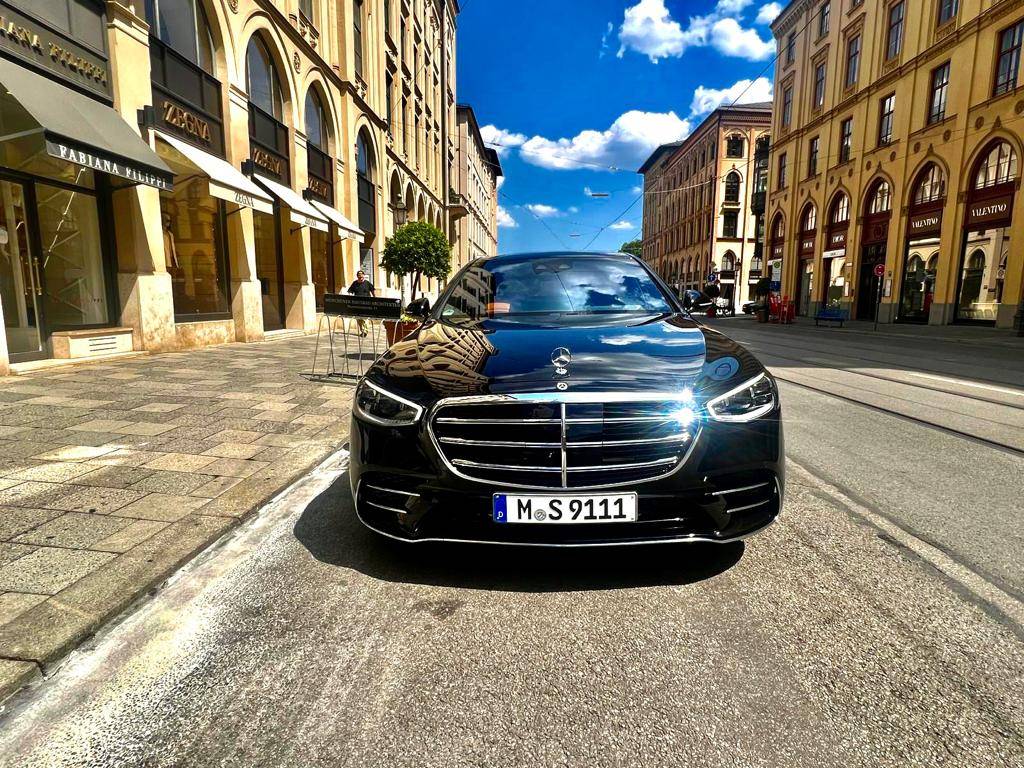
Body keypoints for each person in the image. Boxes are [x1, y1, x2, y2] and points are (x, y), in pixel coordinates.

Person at [348, 270, 375, 337]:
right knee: (358, 319)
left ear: (363, 276)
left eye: (361, 275)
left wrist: (375, 299)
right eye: (359, 275)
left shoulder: (367, 283)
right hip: (357, 304)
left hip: (366, 304)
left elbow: (373, 291)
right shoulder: (355, 283)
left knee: (365, 318)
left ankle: (365, 331)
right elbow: (350, 291)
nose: (360, 276)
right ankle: (362, 330)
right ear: (357, 276)